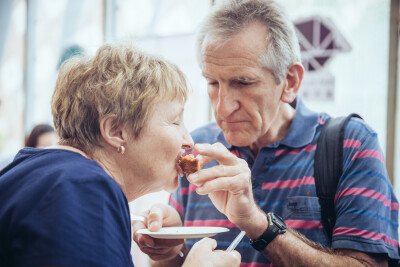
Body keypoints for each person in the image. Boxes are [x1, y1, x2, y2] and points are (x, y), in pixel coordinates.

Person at [132, 0, 400, 266]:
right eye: (213, 82)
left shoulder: (350, 145)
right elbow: (178, 261)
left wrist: (257, 223)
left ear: (290, 82)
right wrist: (169, 253)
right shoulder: (198, 149)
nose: (222, 108)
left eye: (243, 82)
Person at [0, 44, 241, 266]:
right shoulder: (84, 188)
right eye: (175, 121)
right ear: (116, 131)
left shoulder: (37, 173)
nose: (188, 141)